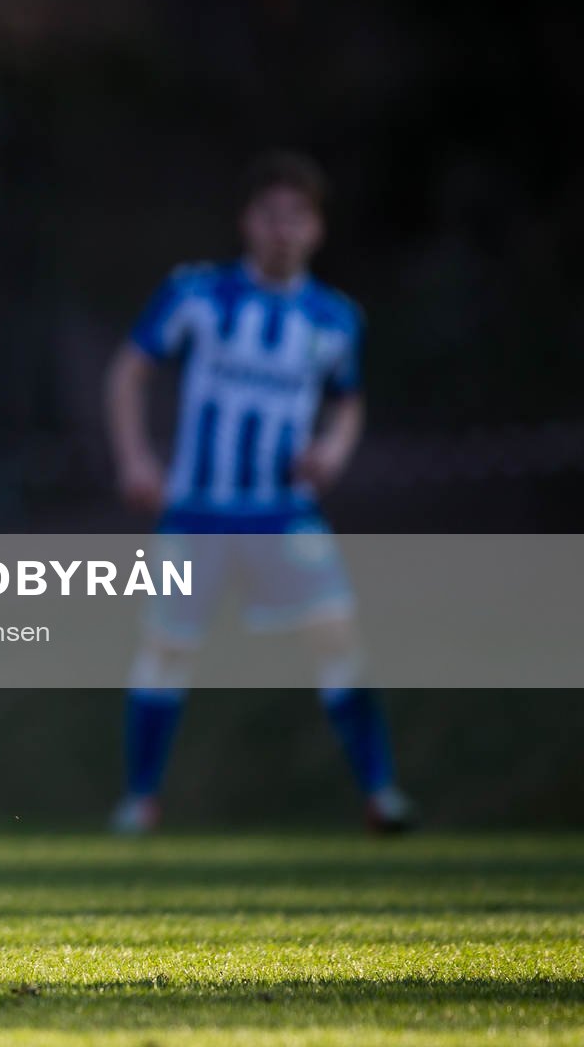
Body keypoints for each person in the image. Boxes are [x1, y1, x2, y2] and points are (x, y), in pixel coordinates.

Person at [104, 151, 415, 835]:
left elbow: (348, 403)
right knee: (166, 648)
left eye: (297, 217)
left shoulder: (335, 320)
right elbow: (130, 371)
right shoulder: (198, 295)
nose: (283, 230)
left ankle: (381, 794)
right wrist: (135, 459)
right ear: (248, 222)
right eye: (271, 215)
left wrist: (333, 450)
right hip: (197, 510)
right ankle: (139, 802)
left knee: (337, 635)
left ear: (317, 230)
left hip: (283, 513)